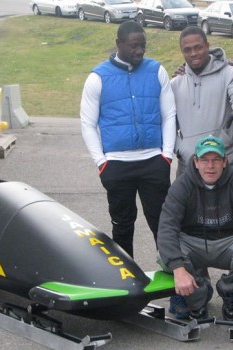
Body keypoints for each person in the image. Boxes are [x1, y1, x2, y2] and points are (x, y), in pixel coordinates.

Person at [80, 20, 177, 258]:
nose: (140, 51)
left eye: (143, 45)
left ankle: (174, 285)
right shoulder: (98, 77)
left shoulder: (157, 71)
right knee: (122, 227)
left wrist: (166, 155)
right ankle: (128, 286)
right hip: (116, 165)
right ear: (118, 44)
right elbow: (88, 123)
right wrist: (101, 163)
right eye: (134, 46)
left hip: (154, 162)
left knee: (163, 225)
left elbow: (169, 115)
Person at [157, 135, 233, 321]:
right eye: (204, 160)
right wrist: (178, 269)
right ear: (196, 161)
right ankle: (197, 297)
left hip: (230, 241)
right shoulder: (182, 185)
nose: (210, 166)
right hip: (193, 242)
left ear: (225, 161)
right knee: (165, 256)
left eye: (216, 160)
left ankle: (229, 292)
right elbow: (167, 228)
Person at [171, 26, 233, 178]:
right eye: (187, 50)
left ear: (207, 46)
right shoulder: (175, 84)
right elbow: (167, 123)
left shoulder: (231, 73)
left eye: (198, 47)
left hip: (228, 165)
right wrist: (180, 148)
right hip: (189, 169)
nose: (193, 53)